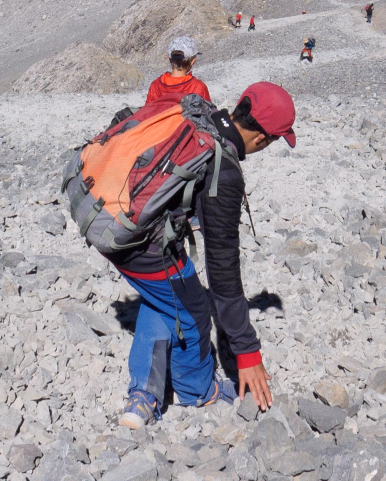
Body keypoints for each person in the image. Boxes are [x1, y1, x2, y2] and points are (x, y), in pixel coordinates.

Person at [115, 82, 297, 428]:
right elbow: (223, 270)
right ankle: (197, 390)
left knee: (166, 298)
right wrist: (246, 351)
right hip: (136, 241)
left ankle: (143, 397)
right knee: (194, 308)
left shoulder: (204, 118)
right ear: (263, 139)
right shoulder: (223, 171)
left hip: (107, 217)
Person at [144, 37, 212, 108]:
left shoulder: (155, 85)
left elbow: (146, 113)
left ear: (169, 59)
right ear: (193, 61)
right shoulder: (199, 87)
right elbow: (208, 113)